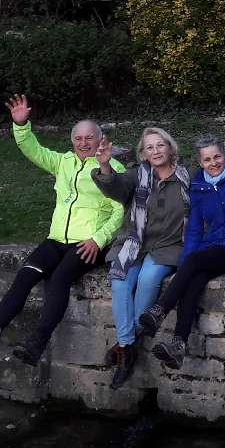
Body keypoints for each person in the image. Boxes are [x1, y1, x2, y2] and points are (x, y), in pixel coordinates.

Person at [0, 94, 124, 365]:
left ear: (100, 140)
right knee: (25, 275)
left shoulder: (111, 168)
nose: (83, 144)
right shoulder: (62, 162)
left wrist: (98, 239)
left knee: (58, 280)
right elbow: (31, 149)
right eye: (78, 139)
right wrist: (22, 125)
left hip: (88, 242)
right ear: (72, 141)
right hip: (56, 240)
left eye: (89, 138)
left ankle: (37, 343)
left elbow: (120, 211)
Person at [138, 123, 225, 369]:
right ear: (200, 163)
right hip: (214, 248)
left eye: (217, 157)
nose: (214, 163)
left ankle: (159, 310)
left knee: (195, 262)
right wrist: (183, 269)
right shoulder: (198, 187)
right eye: (207, 159)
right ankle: (178, 344)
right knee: (192, 282)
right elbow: (195, 231)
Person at [91, 127, 190, 388]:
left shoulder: (186, 177)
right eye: (150, 147)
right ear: (143, 153)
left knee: (148, 280)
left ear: (170, 148)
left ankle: (126, 343)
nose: (156, 151)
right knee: (120, 282)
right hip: (135, 243)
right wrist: (104, 167)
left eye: (160, 145)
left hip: (168, 245)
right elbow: (115, 187)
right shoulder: (137, 175)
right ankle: (127, 346)